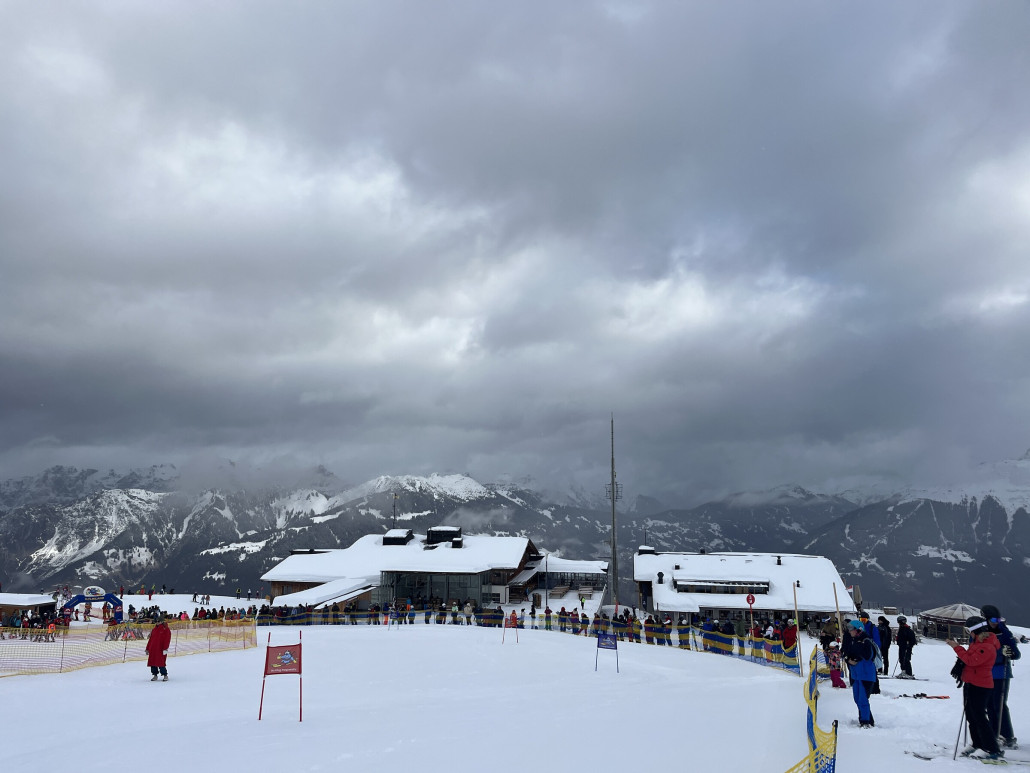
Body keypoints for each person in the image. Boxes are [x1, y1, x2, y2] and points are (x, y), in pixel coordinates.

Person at [948, 617, 1003, 759]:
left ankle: (992, 749)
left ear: (975, 630)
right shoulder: (977, 643)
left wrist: (956, 647)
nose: (969, 633)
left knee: (979, 717)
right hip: (971, 683)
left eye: (969, 630)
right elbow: (968, 658)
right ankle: (977, 743)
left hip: (981, 686)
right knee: (971, 716)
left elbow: (972, 660)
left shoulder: (987, 646)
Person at [981, 604, 1020, 750]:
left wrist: (1009, 652)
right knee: (988, 705)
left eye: (998, 620)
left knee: (999, 704)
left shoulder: (1004, 632)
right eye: (993, 620)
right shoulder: (981, 631)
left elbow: (1016, 654)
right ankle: (994, 733)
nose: (996, 622)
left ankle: (1007, 735)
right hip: (985, 673)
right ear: (986, 619)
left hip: (1000, 672)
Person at [841, 619, 876, 727]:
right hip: (856, 675)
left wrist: (856, 659)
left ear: (858, 630)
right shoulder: (852, 640)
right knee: (857, 698)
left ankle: (865, 721)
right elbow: (846, 653)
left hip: (866, 675)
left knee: (863, 699)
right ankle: (867, 719)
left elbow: (868, 656)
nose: (849, 631)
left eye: (851, 629)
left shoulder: (866, 640)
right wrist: (848, 660)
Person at [146, 616, 171, 682]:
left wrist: (165, 648)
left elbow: (167, 639)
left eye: (158, 621)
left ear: (162, 621)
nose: (157, 623)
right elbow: (151, 640)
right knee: (152, 662)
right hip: (153, 649)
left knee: (161, 662)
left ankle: (165, 675)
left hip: (160, 649)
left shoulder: (165, 629)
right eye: (156, 621)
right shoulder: (154, 629)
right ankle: (155, 675)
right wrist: (147, 648)